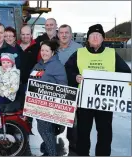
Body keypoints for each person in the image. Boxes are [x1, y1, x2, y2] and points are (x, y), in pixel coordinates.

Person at [65, 24, 131, 156]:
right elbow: (68, 70)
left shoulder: (111, 54)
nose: (95, 37)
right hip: (84, 101)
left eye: (98, 35)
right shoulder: (79, 53)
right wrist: (75, 77)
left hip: (105, 102)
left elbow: (126, 72)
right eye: (92, 35)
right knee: (83, 133)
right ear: (88, 39)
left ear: (103, 38)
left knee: (105, 133)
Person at [30, 40, 67, 156]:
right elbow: (32, 81)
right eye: (42, 50)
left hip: (50, 105)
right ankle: (47, 151)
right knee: (44, 130)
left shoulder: (57, 66)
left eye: (47, 50)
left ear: (52, 52)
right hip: (37, 103)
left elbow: (63, 86)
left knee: (44, 130)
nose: (44, 53)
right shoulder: (39, 65)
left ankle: (51, 153)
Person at [56, 24, 82, 151]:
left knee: (73, 120)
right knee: (55, 118)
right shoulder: (53, 48)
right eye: (61, 32)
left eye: (66, 32)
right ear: (58, 34)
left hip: (73, 88)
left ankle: (73, 146)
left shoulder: (79, 49)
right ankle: (55, 144)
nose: (64, 35)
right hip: (56, 89)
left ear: (71, 34)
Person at [0, 53, 20, 132]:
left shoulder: (14, 73)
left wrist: (5, 94)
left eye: (8, 62)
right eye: (3, 62)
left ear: (12, 63)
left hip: (8, 96)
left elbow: (15, 87)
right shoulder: (0, 71)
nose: (5, 64)